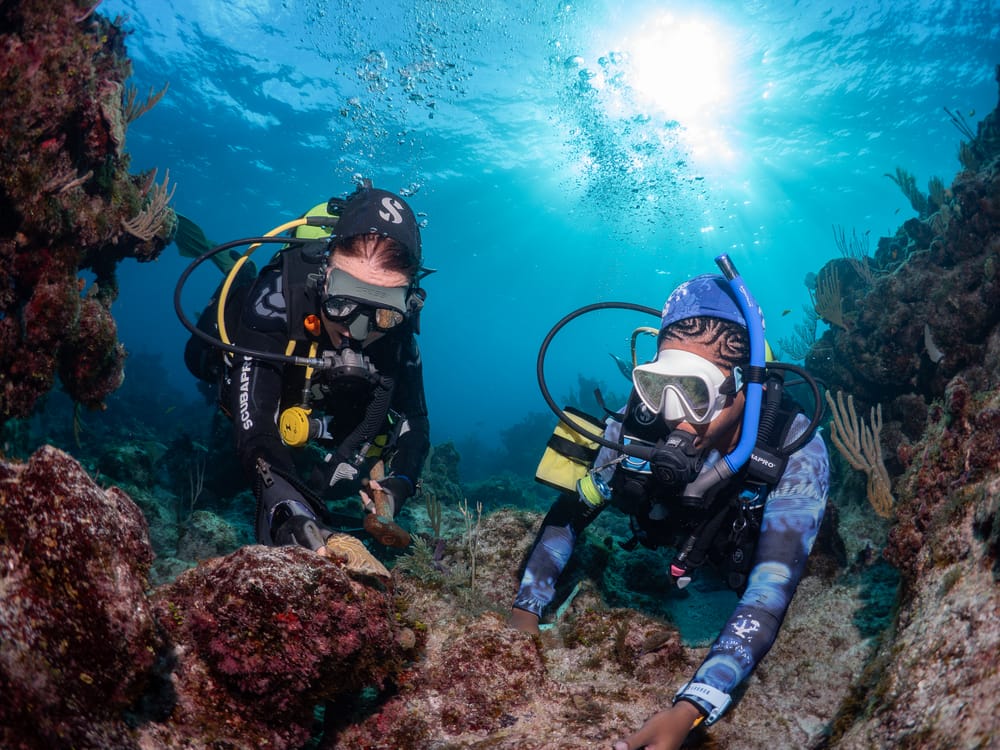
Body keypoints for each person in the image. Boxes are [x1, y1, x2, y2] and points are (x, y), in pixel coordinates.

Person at [509, 273, 829, 750]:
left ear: (748, 385)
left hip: (734, 563)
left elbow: (771, 586)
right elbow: (571, 512)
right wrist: (525, 612)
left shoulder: (795, 448)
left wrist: (693, 705)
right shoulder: (632, 427)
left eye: (696, 390)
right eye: (659, 386)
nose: (673, 415)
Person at [221, 183, 431, 555]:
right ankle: (234, 279)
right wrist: (287, 505)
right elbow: (253, 416)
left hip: (322, 411)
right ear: (323, 274)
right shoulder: (278, 296)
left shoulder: (397, 337)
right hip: (265, 372)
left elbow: (415, 421)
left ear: (408, 303)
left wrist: (397, 488)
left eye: (383, 311)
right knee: (202, 363)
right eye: (342, 304)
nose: (357, 329)